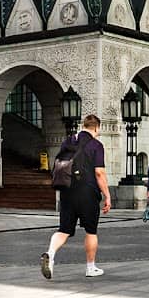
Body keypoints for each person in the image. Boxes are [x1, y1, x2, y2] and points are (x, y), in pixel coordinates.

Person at [42, 112, 111, 280]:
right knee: (91, 231)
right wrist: (107, 195)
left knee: (64, 230)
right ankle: (90, 267)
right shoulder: (96, 145)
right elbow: (99, 173)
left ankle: (50, 254)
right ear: (96, 127)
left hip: (67, 190)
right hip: (87, 192)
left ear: (83, 126)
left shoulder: (68, 141)